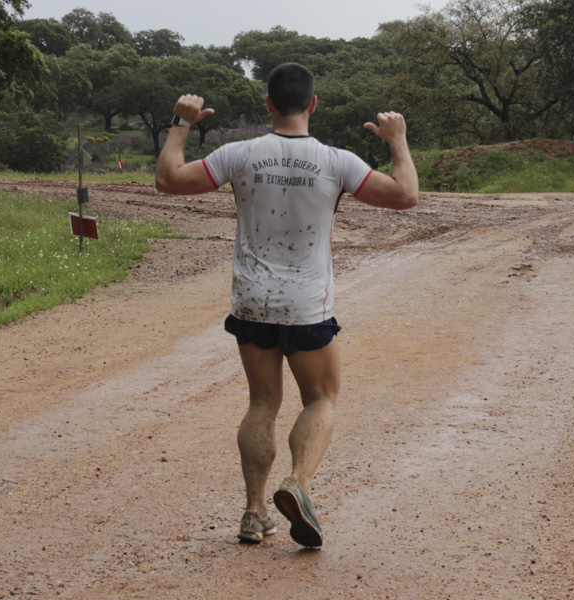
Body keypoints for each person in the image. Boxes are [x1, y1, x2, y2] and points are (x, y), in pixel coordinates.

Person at [155, 62, 418, 547]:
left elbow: (169, 180)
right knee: (320, 399)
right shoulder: (336, 160)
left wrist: (182, 123)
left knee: (261, 403)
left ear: (269, 104)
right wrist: (397, 140)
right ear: (313, 105)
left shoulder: (239, 154)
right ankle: (297, 483)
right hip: (306, 304)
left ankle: (254, 514)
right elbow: (405, 195)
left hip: (253, 300)